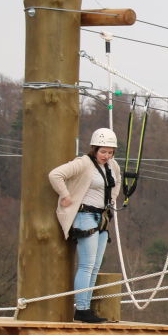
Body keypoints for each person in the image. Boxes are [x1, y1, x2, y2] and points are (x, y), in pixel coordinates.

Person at [48, 128, 121, 323]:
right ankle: (81, 308)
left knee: (95, 266)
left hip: (102, 216)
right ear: (95, 149)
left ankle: (86, 308)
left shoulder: (112, 165)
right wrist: (65, 195)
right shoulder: (84, 163)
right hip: (85, 215)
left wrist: (111, 203)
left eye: (110, 152)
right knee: (87, 265)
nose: (106, 156)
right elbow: (55, 174)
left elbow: (116, 183)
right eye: (103, 151)